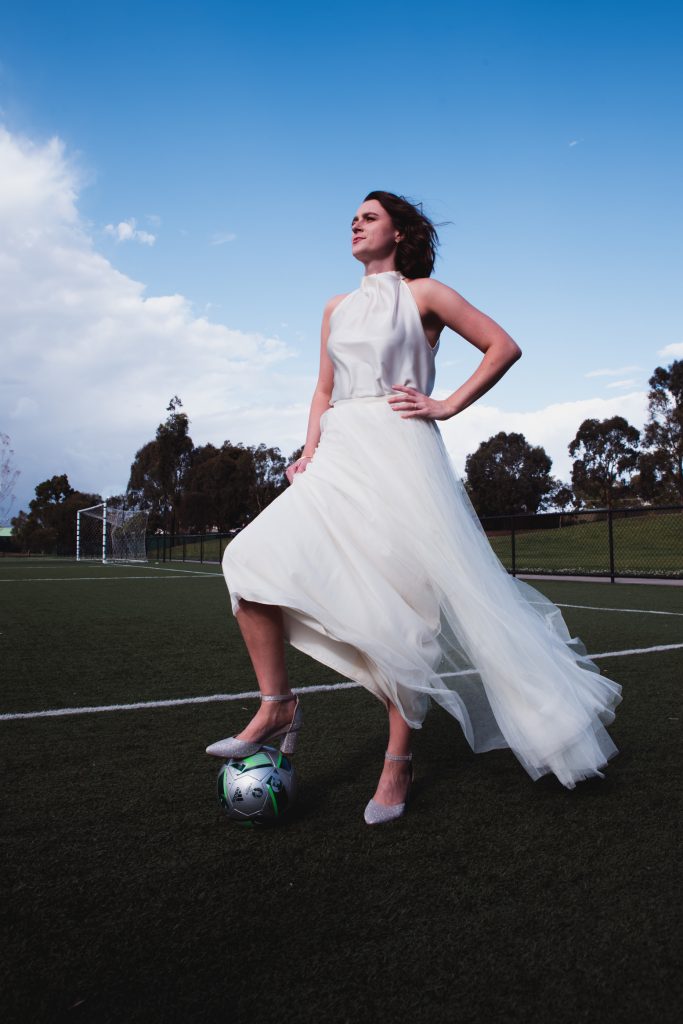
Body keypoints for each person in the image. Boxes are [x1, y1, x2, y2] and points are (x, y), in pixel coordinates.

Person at [206, 190, 622, 824]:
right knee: (248, 559)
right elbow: (323, 387)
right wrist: (308, 451)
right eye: (353, 217)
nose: (355, 223)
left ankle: (397, 763)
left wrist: (446, 404)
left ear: (399, 234)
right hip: (339, 454)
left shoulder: (426, 294)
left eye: (369, 217)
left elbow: (502, 346)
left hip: (403, 453)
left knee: (408, 612)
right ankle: (276, 703)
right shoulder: (334, 307)